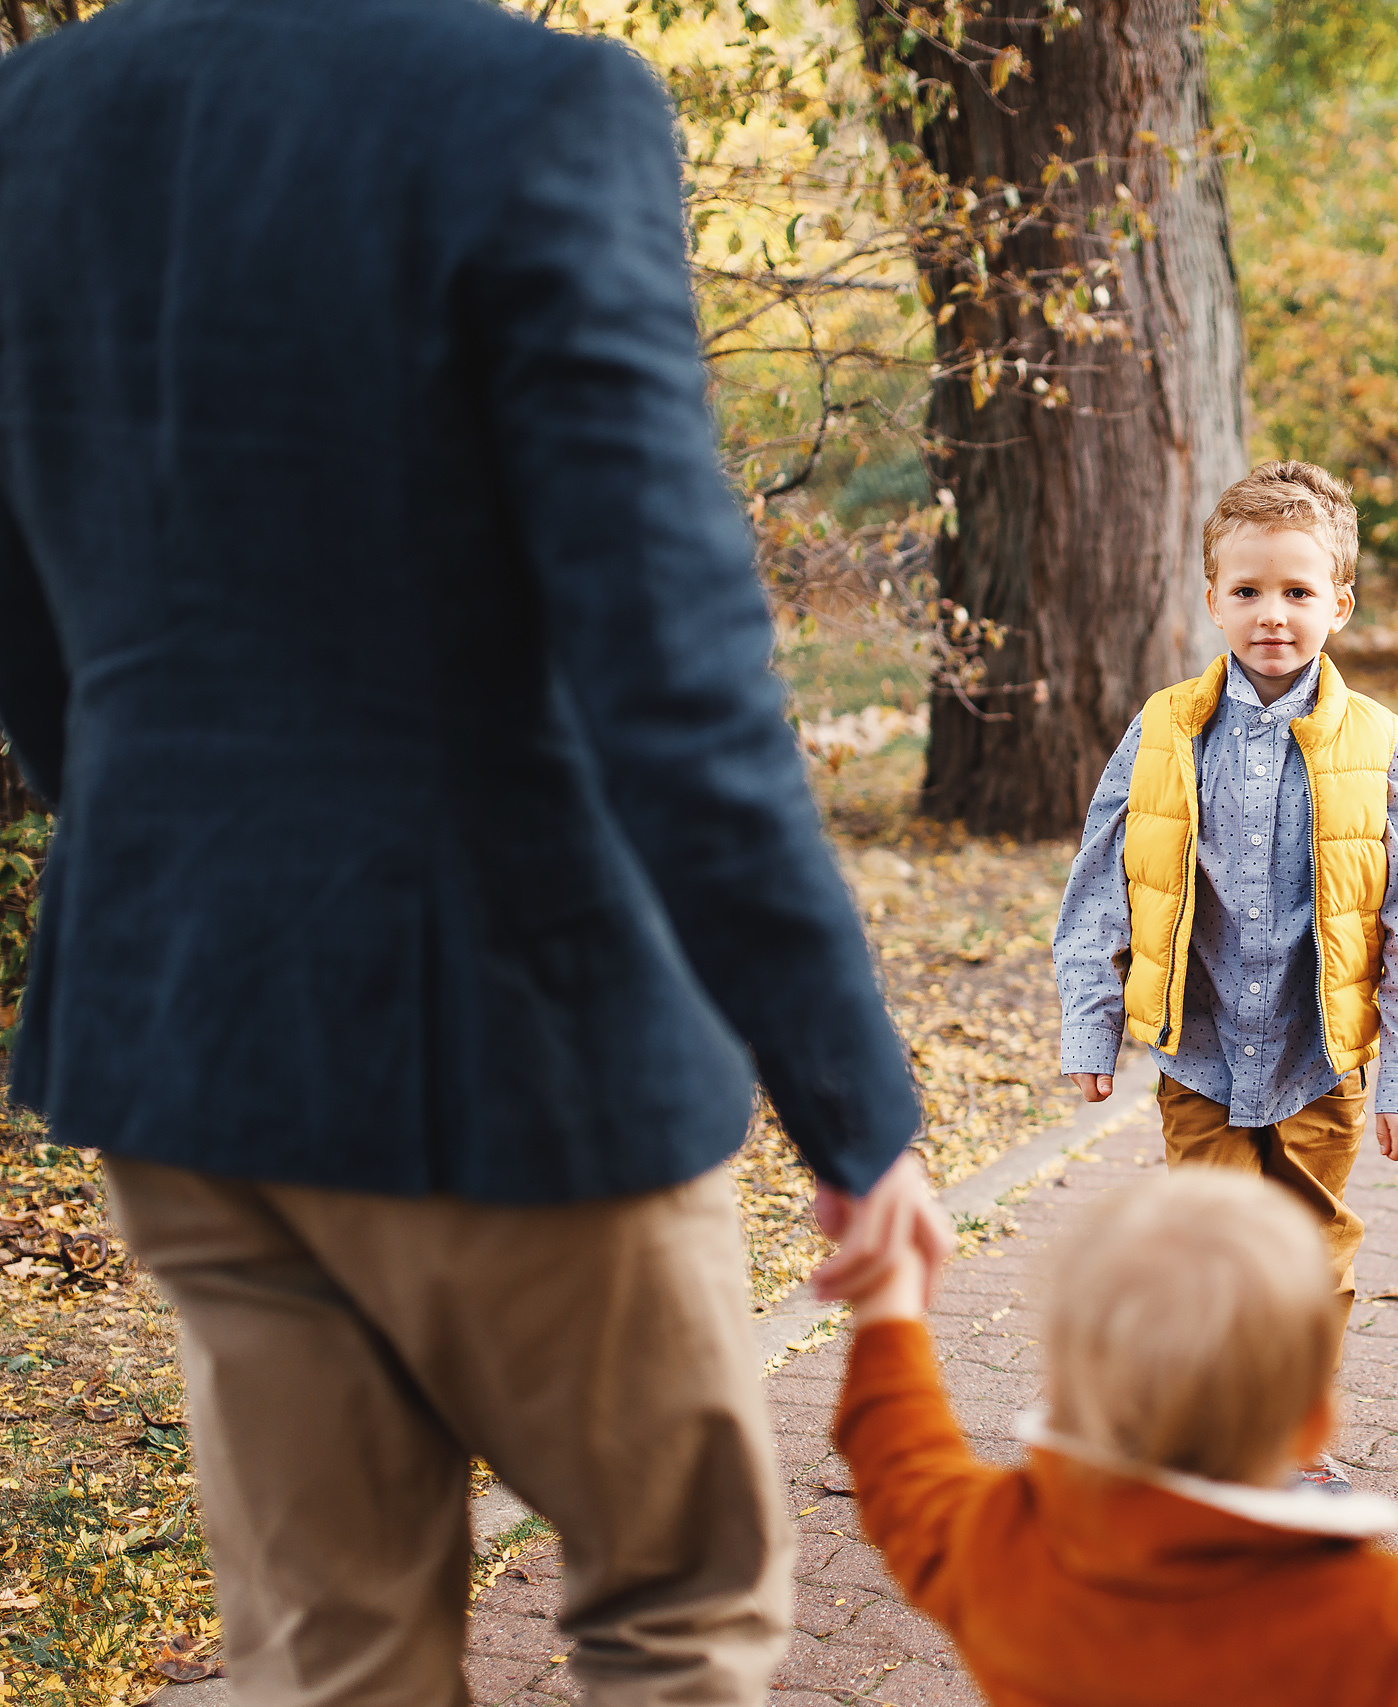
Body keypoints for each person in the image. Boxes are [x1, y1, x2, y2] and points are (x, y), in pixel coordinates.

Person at [0, 1, 950, 1699]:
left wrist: (159, 863)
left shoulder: (36, 115)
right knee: (678, 1608)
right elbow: (670, 658)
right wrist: (853, 1103)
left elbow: (29, 604)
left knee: (330, 1652)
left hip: (180, 1027)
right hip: (515, 1044)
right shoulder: (542, 105)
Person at [832, 1169, 1398, 1705]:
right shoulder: (1342, 1615)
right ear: (1315, 1421)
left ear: (1062, 1383)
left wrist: (889, 1309)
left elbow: (902, 1463)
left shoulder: (1003, 1541)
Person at [1051, 460, 1398, 1487]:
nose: (1272, 614)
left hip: (1323, 1060)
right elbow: (1099, 887)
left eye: (1297, 591)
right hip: (1200, 1055)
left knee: (1307, 1260)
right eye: (1247, 591)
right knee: (1207, 1258)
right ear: (1210, 598)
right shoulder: (1163, 730)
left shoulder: (1373, 742)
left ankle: (1288, 1439)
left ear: (1340, 604)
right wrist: (1091, 1029)